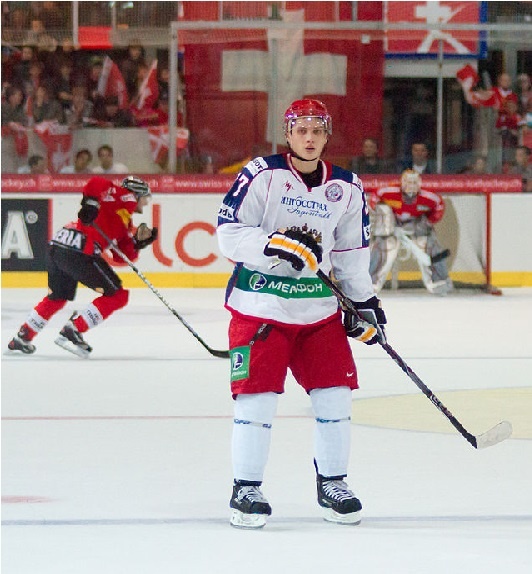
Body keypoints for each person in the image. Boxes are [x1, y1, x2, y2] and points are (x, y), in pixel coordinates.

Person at [216, 99, 387, 529]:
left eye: (317, 131)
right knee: (257, 400)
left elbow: (350, 252)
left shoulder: (347, 186)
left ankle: (333, 483)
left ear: (327, 135)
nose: (309, 138)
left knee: (336, 397)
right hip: (260, 307)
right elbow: (230, 233)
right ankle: (246, 488)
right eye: (301, 130)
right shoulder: (262, 174)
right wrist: (275, 245)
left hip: (319, 310)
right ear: (288, 134)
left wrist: (363, 303)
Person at [8, 175, 157, 358]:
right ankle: (73, 329)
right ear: (137, 194)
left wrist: (138, 243)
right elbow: (96, 182)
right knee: (118, 296)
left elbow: (121, 256)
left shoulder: (124, 220)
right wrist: (91, 202)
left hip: (59, 245)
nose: (146, 203)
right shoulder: (123, 197)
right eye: (145, 197)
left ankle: (23, 337)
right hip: (80, 250)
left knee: (58, 296)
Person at [368, 170, 452, 295]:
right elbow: (375, 198)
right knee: (383, 246)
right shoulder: (387, 192)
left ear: (419, 184)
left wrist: (427, 222)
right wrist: (385, 216)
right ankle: (370, 284)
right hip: (392, 226)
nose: (411, 186)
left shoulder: (430, 197)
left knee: (429, 244)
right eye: (407, 182)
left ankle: (439, 282)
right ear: (401, 182)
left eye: (414, 182)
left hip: (416, 226)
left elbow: (439, 206)